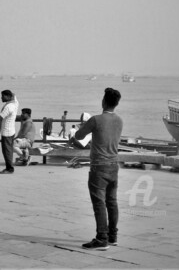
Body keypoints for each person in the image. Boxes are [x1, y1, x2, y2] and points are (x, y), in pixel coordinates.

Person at [74, 88, 123, 250]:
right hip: (114, 166)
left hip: (99, 167)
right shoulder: (119, 120)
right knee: (112, 202)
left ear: (103, 101)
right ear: (116, 103)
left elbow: (79, 136)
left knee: (99, 203)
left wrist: (83, 126)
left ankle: (102, 238)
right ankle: (112, 236)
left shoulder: (95, 120)